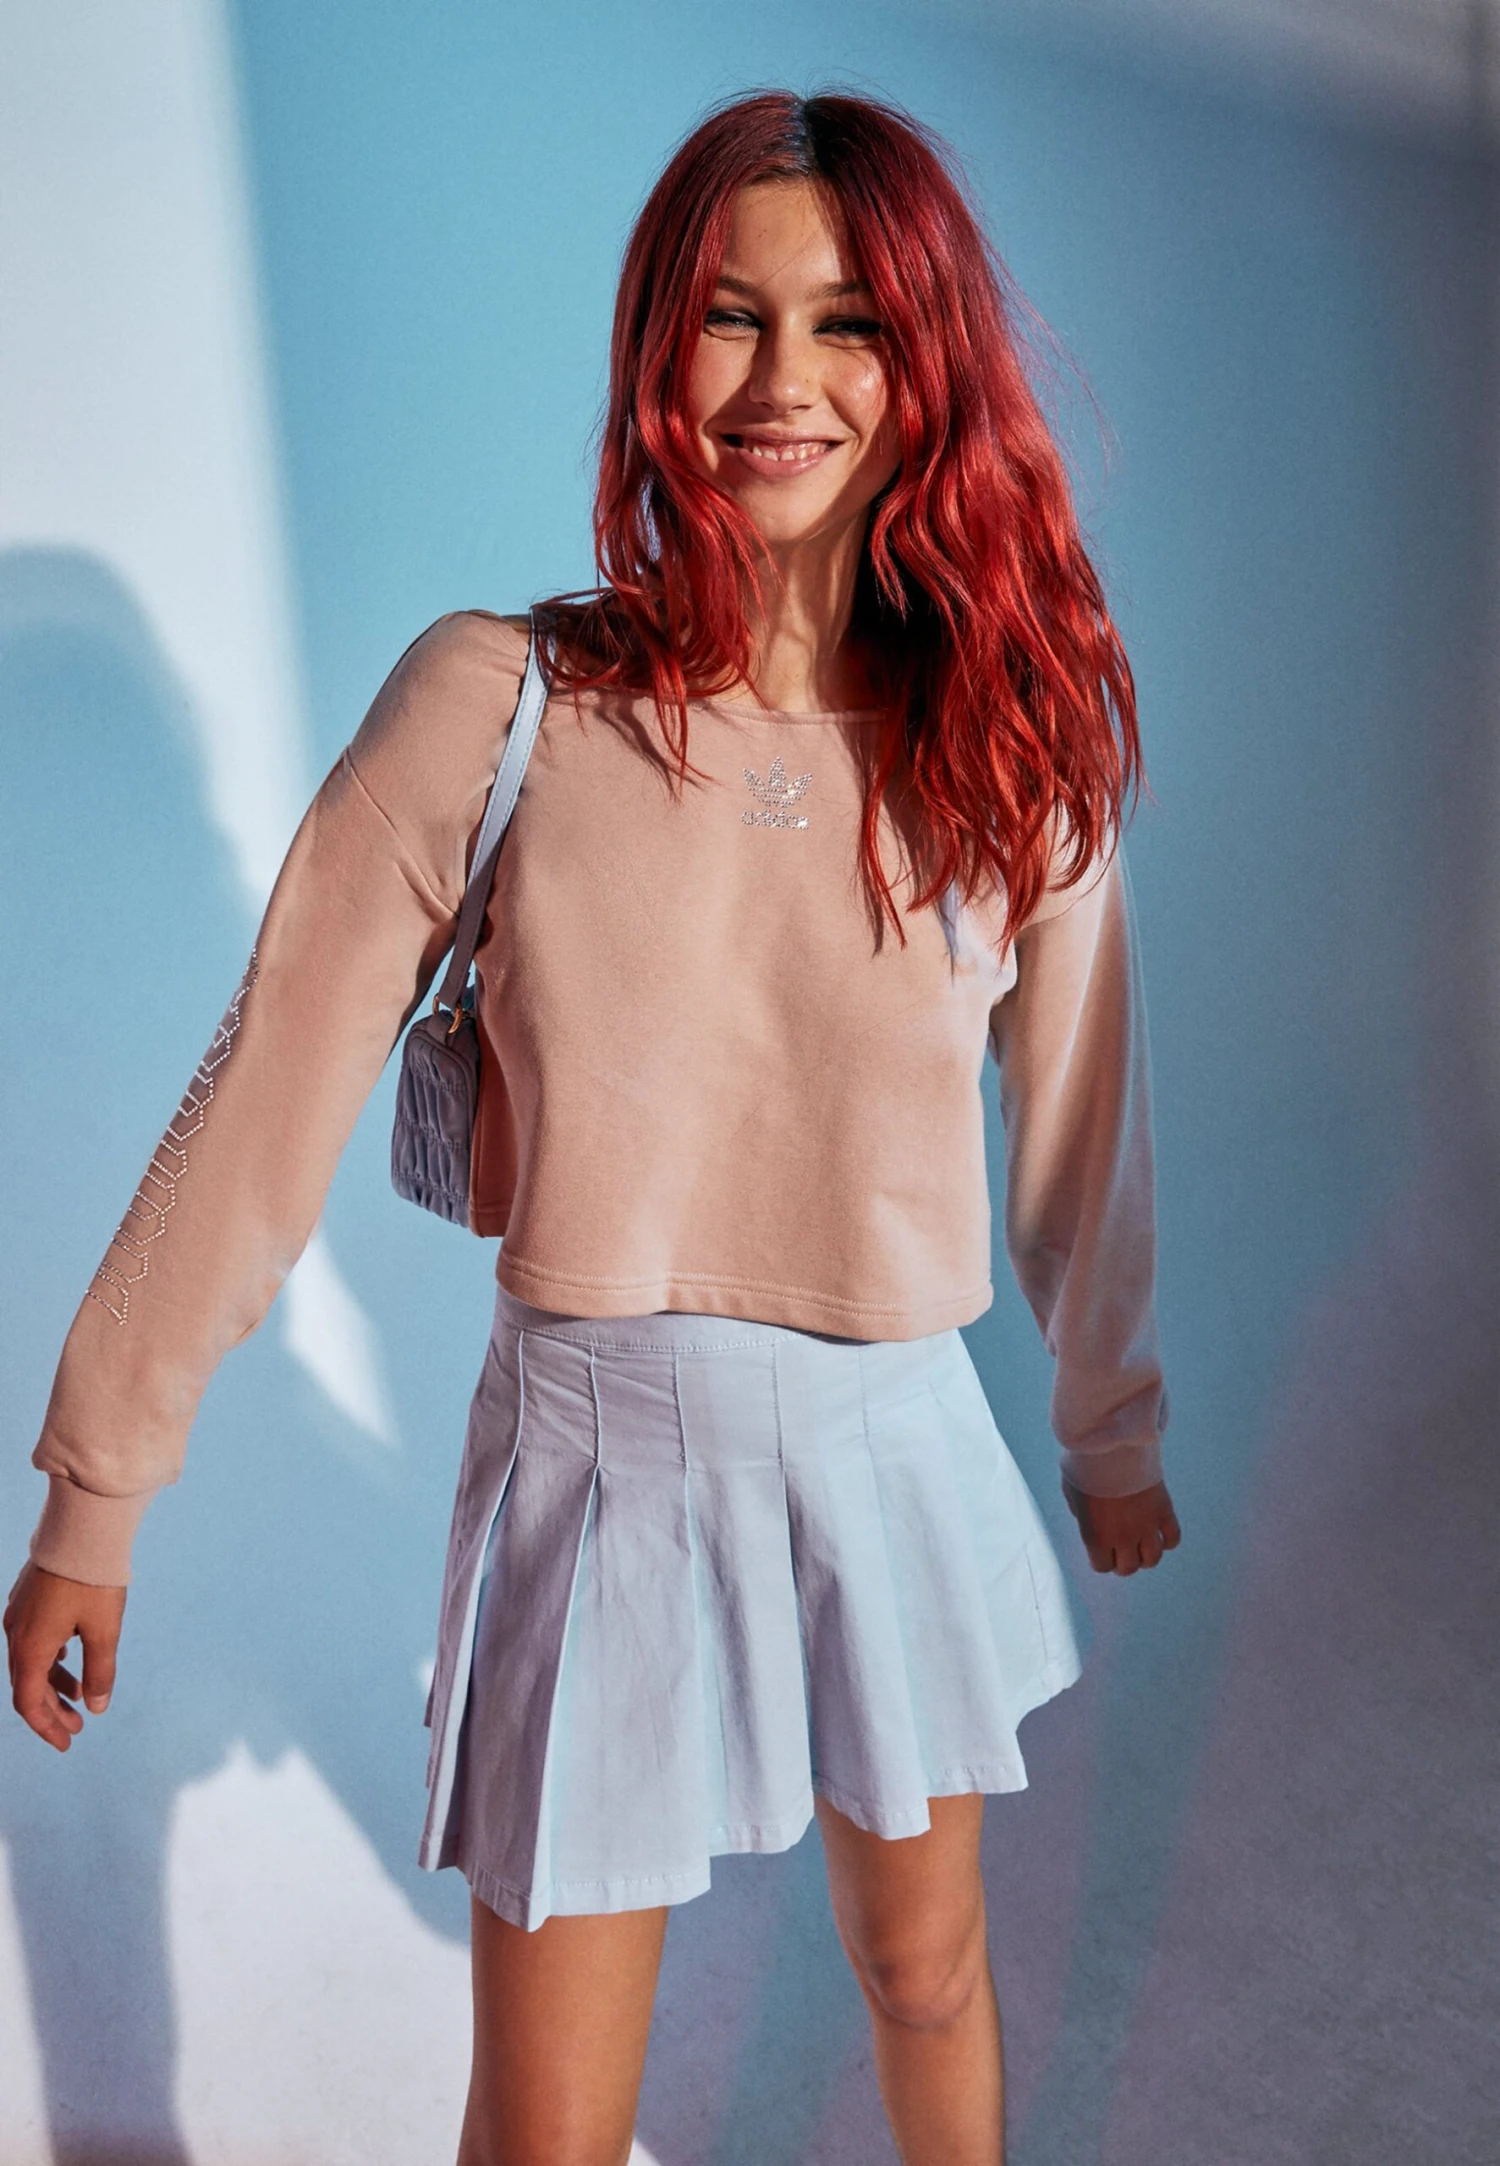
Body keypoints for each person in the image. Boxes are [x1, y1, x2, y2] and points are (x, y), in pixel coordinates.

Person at [6, 86, 1180, 2166]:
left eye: (850, 324)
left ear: (926, 364)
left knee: (925, 1972)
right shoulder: (503, 704)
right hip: (597, 1462)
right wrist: (98, 1487)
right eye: (732, 314)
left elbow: (1083, 1132)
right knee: (548, 2124)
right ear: (658, 343)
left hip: (894, 1450)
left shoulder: (1013, 732)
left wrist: (1112, 1426)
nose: (784, 379)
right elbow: (264, 1095)